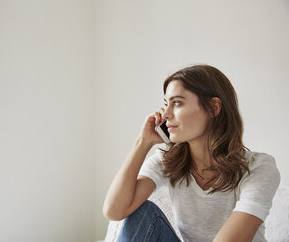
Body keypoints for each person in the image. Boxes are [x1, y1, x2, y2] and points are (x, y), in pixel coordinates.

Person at [102, 64, 281, 242]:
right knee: (142, 213)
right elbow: (115, 210)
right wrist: (143, 142)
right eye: (166, 104)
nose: (165, 115)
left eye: (177, 103)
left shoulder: (258, 167)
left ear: (213, 108)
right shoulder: (168, 161)